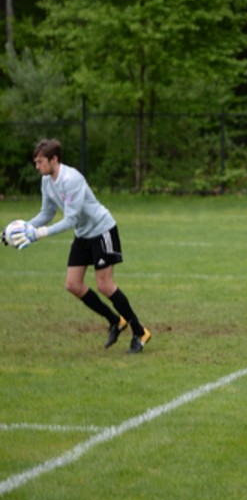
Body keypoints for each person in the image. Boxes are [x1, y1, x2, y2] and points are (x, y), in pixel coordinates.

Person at [4, 138, 151, 354]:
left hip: (102, 230)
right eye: (36, 162)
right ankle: (115, 321)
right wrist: (21, 229)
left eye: (40, 162)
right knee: (73, 284)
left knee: (105, 285)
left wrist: (39, 233)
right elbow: (47, 213)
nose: (37, 167)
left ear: (54, 159)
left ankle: (140, 332)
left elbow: (70, 220)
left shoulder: (71, 179)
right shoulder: (46, 181)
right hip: (83, 235)